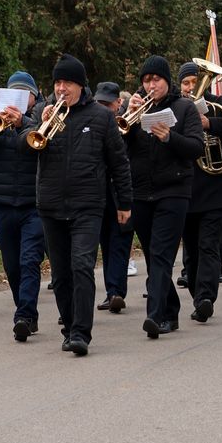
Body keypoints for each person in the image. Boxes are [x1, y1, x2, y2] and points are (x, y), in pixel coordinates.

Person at [18, 54, 133, 356]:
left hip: (88, 204)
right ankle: (69, 327)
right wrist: (37, 124)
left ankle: (82, 332)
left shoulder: (101, 117)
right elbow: (23, 146)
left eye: (67, 82)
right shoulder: (43, 111)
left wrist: (124, 202)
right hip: (51, 204)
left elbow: (119, 163)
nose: (61, 88)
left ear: (81, 85)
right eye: (57, 82)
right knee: (60, 274)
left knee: (82, 265)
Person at [124, 55, 204, 339]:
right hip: (141, 192)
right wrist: (130, 120)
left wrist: (170, 137)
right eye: (146, 80)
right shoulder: (134, 109)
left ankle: (155, 315)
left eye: (155, 79)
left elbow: (196, 147)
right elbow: (119, 147)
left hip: (174, 191)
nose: (150, 85)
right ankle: (171, 310)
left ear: (166, 81)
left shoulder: (184, 108)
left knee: (161, 255)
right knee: (152, 254)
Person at [0, 71, 44, 342]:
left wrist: (23, 121)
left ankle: (23, 316)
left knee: (29, 261)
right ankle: (27, 312)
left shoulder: (40, 117)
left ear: (34, 98)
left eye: (25, 94)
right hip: (2, 204)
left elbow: (41, 138)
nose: (19, 99)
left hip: (33, 205)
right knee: (12, 265)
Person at [178, 61, 222, 323]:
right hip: (186, 187)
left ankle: (206, 298)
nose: (191, 87)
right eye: (186, 83)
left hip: (215, 185)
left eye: (195, 82)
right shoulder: (176, 106)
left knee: (209, 245)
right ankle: (199, 296)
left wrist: (209, 123)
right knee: (192, 249)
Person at [91, 82, 134, 314]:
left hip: (122, 191)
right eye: (101, 104)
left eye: (109, 104)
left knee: (120, 240)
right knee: (106, 242)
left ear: (119, 103)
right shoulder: (94, 121)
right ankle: (112, 292)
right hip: (99, 191)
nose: (105, 108)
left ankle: (117, 291)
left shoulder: (129, 121)